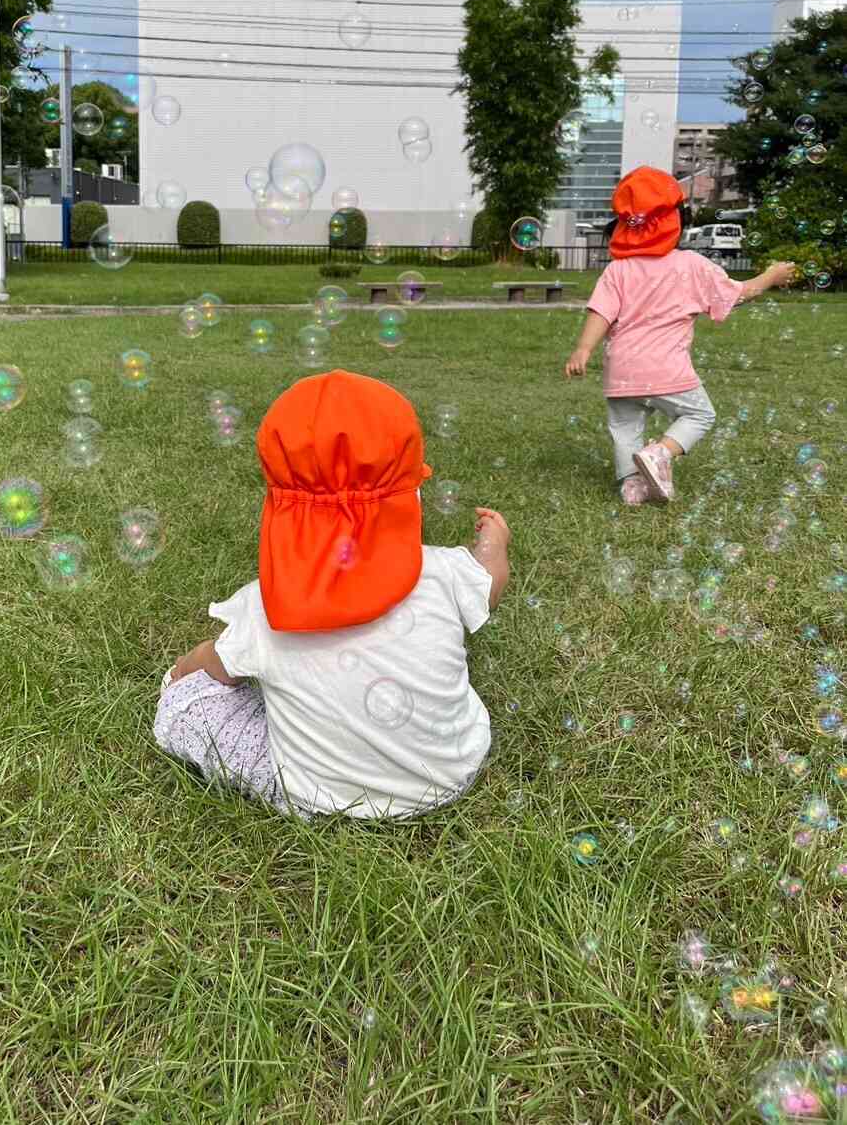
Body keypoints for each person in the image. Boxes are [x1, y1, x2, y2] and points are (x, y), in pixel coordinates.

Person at [153, 370, 510, 820]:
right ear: (412, 494)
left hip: (324, 799)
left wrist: (182, 674)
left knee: (185, 708)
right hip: (454, 770)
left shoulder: (266, 606)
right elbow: (490, 584)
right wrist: (493, 546)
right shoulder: (444, 570)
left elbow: (214, 664)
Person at [565, 166, 795, 505]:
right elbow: (739, 292)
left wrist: (583, 349)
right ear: (675, 221)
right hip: (667, 369)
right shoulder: (691, 265)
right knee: (701, 414)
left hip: (622, 370)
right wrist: (771, 276)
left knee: (626, 429)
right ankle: (660, 453)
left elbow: (601, 312)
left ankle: (632, 487)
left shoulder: (617, 270)